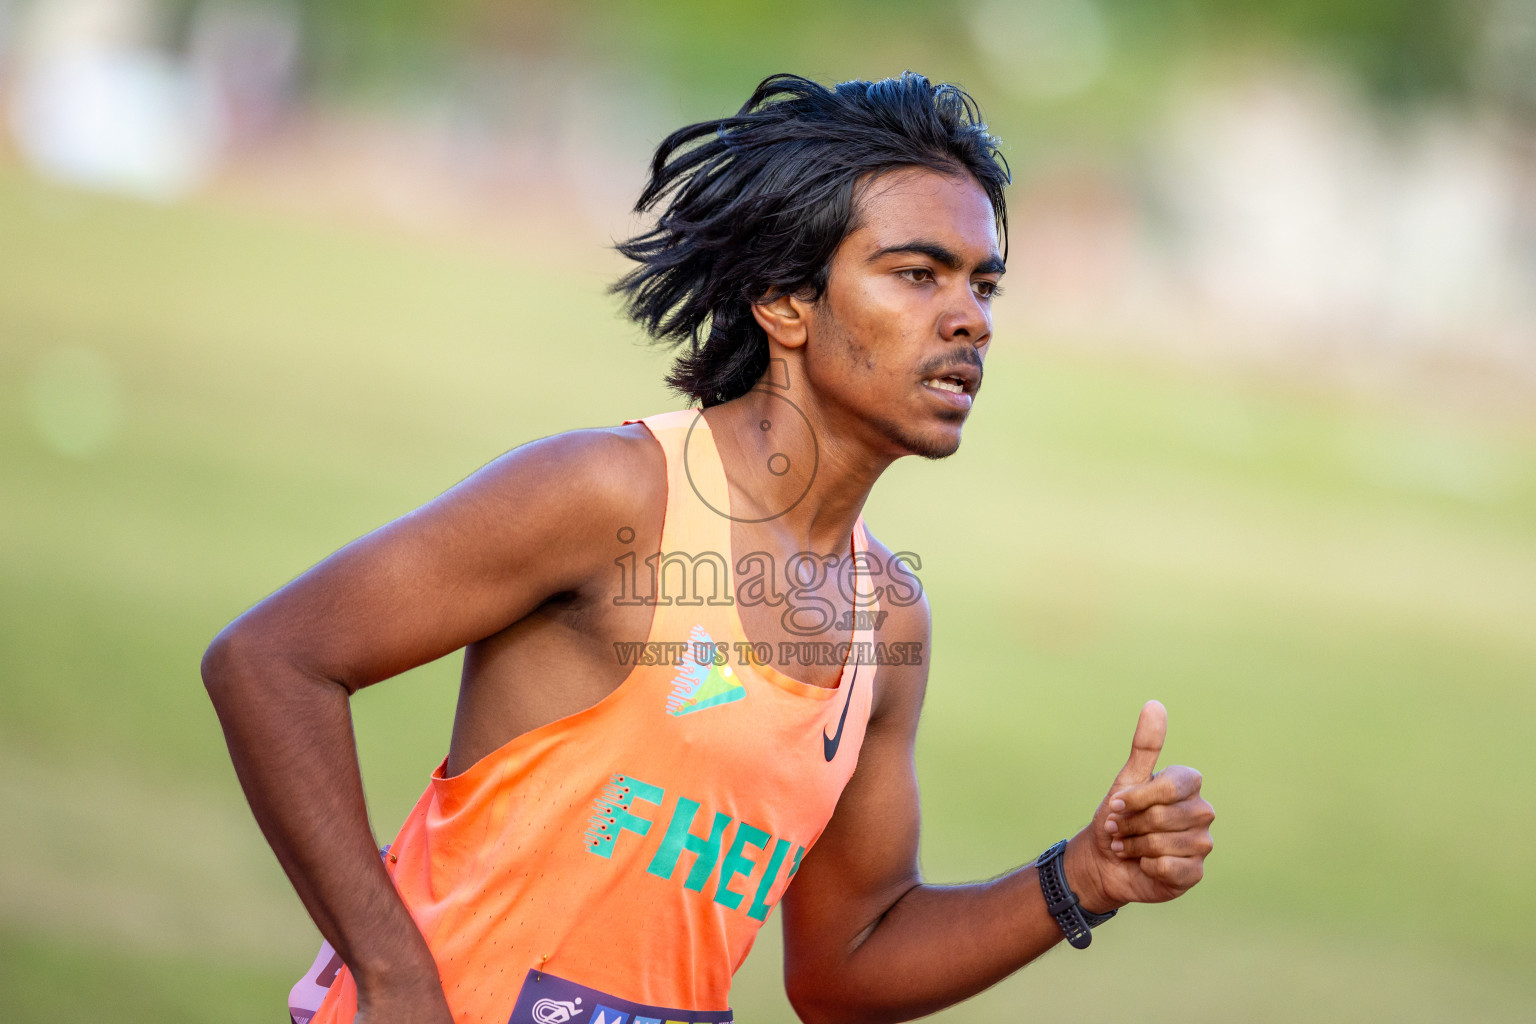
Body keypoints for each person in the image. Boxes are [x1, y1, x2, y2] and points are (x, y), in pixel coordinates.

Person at [202, 72, 1215, 1024]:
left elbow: (843, 964)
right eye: (918, 274)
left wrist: (1080, 877)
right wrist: (392, 973)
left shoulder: (888, 618)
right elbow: (271, 661)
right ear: (783, 301)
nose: (970, 320)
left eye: (985, 284)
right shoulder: (613, 494)